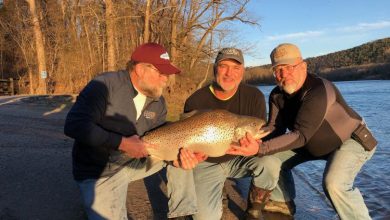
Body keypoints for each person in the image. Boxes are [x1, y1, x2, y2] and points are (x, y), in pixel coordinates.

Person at [228, 43, 377, 219]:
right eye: (278, 70)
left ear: (303, 66)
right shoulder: (277, 95)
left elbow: (301, 135)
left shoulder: (319, 89)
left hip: (350, 140)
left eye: (290, 67)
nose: (284, 74)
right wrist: (254, 141)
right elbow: (275, 128)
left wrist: (260, 148)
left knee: (335, 184)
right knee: (271, 158)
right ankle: (281, 203)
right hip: (310, 144)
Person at [64, 43, 201, 220]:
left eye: (167, 74)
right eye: (161, 73)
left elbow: (160, 138)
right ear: (140, 69)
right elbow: (74, 125)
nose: (165, 79)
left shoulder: (159, 103)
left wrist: (180, 157)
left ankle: (182, 213)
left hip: (137, 161)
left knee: (182, 149)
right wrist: (122, 143)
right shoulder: (104, 85)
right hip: (100, 171)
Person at [168, 48, 282, 220]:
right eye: (223, 66)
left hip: (240, 158)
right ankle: (215, 190)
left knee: (271, 162)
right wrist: (189, 156)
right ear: (215, 69)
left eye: (236, 68)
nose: (230, 73)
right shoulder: (196, 100)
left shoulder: (255, 96)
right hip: (206, 163)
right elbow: (185, 140)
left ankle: (254, 211)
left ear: (243, 71)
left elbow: (259, 136)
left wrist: (255, 148)